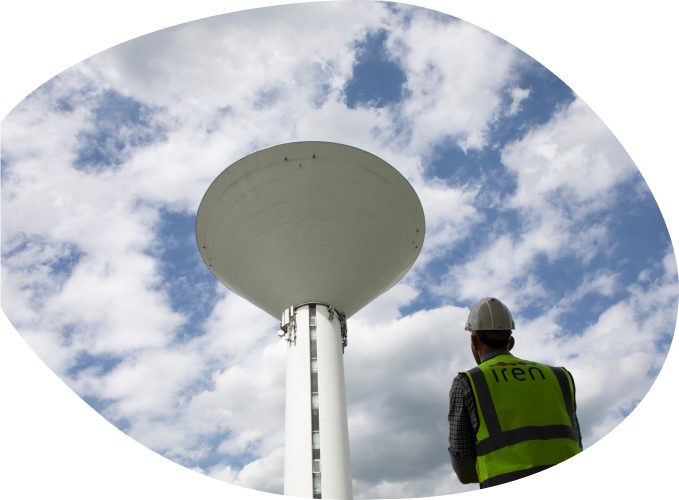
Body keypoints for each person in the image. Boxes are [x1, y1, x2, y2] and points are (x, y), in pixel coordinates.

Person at [448, 297, 582, 488]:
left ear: (474, 341)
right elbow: (575, 440)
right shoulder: (560, 376)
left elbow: (464, 471)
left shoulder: (467, 382)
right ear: (510, 342)